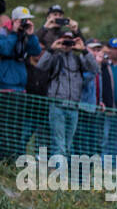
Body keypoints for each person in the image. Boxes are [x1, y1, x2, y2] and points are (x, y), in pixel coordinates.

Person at [35, 23, 101, 158]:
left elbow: (95, 69)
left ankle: (58, 172)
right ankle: (59, 175)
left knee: (67, 145)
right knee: (59, 144)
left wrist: (84, 50)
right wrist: (51, 49)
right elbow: (40, 67)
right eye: (64, 40)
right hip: (57, 105)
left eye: (69, 41)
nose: (67, 43)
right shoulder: (54, 57)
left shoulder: (78, 59)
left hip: (73, 107)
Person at [0, 6, 42, 160]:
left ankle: (10, 160)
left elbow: (36, 50)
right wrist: (13, 32)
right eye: (21, 21)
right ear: (14, 20)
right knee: (6, 129)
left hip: (20, 89)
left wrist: (31, 34)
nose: (24, 23)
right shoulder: (3, 34)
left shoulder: (25, 36)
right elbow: (4, 50)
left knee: (17, 128)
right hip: (5, 88)